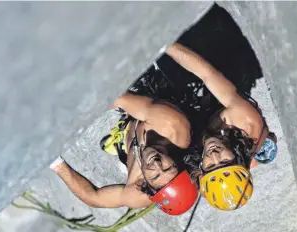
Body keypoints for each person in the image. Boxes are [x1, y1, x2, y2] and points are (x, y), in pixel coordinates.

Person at [166, 42, 278, 211]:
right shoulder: (245, 122)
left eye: (211, 166)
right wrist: (164, 45)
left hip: (213, 128)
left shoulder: (201, 170)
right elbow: (207, 74)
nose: (214, 155)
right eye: (225, 161)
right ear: (239, 157)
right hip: (222, 105)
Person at [50, 91, 198, 215]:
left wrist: (56, 163)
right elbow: (117, 97)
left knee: (130, 147)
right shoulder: (171, 125)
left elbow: (93, 198)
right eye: (168, 167)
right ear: (177, 163)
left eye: (155, 175)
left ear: (145, 184)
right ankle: (125, 134)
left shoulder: (136, 191)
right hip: (149, 110)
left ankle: (123, 143)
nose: (157, 164)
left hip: (132, 140)